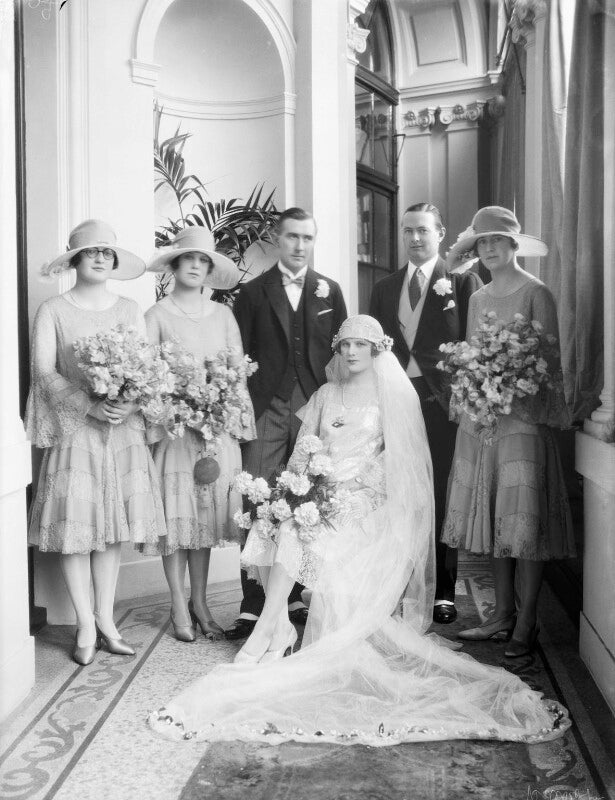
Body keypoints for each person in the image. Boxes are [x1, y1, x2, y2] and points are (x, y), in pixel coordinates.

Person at [149, 316, 569, 745]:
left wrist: (351, 487)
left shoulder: (392, 398)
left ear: (376, 351)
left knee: (302, 531)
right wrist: (293, 492)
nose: (350, 352)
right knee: (289, 522)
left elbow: (398, 466)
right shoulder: (325, 394)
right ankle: (275, 626)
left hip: (366, 498)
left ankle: (269, 630)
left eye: (360, 345)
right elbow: (301, 453)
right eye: (344, 344)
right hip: (319, 489)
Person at [26, 219, 166, 666]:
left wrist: (129, 404)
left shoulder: (128, 308)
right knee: (76, 532)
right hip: (77, 432)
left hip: (121, 432)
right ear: (75, 260)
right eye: (92, 252)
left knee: (111, 530)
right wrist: (87, 405)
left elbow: (143, 366)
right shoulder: (53, 309)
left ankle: (106, 619)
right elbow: (43, 372)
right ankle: (85, 623)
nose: (101, 257)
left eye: (107, 251)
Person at [442, 206, 576, 656]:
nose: (489, 248)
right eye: (482, 242)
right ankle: (501, 614)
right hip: (484, 424)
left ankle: (528, 621)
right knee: (496, 519)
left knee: (524, 524)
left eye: (497, 240)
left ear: (514, 245)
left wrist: (513, 381)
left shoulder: (538, 293)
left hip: (524, 423)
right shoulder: (478, 298)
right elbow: (471, 357)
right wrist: (479, 386)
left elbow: (550, 367)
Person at [224, 207, 347, 640]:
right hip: (266, 407)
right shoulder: (254, 293)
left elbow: (341, 354)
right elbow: (238, 359)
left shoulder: (330, 291)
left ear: (314, 242)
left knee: (306, 500)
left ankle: (293, 594)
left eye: (307, 238)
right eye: (292, 237)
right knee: (257, 498)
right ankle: (252, 604)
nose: (299, 245)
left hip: (313, 406)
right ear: (278, 238)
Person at [369, 202, 482, 624]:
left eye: (423, 231)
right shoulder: (384, 288)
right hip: (396, 403)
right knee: (397, 492)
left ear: (439, 233)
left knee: (439, 495)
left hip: (442, 406)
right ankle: (398, 580)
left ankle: (443, 590)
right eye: (407, 231)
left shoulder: (462, 282)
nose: (415, 239)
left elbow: (472, 347)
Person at [144, 227, 256, 642]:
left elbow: (236, 372)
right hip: (175, 432)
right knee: (177, 522)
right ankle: (178, 606)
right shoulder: (156, 315)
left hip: (215, 432)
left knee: (204, 522)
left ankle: (202, 602)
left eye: (203, 260)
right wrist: (176, 407)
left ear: (210, 270)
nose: (195, 265)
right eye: (189, 258)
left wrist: (232, 420)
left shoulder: (223, 315)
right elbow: (147, 379)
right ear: (175, 264)